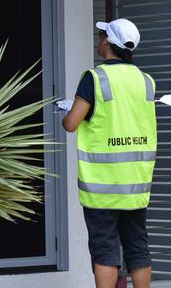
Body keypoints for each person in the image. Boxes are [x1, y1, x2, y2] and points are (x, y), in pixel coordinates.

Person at [62, 18, 156, 288]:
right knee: (138, 246)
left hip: (102, 185)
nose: (98, 39)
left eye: (101, 35)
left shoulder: (95, 77)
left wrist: (66, 113)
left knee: (105, 249)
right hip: (136, 183)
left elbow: (71, 124)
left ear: (107, 42)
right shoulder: (146, 80)